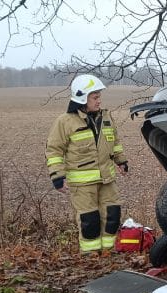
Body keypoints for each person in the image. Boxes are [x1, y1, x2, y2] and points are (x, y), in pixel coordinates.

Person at [45, 74, 128, 253]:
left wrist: (121, 161)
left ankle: (109, 253)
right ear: (82, 97)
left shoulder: (106, 117)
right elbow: (54, 151)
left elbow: (114, 142)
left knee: (112, 216)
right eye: (95, 97)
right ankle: (90, 257)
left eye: (99, 97)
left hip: (107, 179)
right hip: (82, 185)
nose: (99, 101)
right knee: (90, 222)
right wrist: (57, 176)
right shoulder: (65, 122)